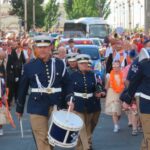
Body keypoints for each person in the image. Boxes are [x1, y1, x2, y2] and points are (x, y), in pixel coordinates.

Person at [16, 36, 71, 150]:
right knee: (42, 137)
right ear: (35, 48)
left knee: (52, 138)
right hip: (37, 105)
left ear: (50, 47)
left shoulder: (59, 64)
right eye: (39, 47)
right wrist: (19, 108)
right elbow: (22, 88)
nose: (42, 50)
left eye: (45, 47)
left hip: (56, 104)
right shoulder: (29, 66)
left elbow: (67, 84)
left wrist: (69, 99)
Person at [69, 54, 102, 150]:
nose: (84, 65)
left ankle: (80, 147)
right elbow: (68, 90)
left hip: (91, 103)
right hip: (77, 104)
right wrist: (69, 102)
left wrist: (98, 92)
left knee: (89, 126)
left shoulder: (93, 75)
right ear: (77, 64)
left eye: (85, 63)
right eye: (81, 63)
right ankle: (86, 147)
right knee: (81, 126)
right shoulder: (72, 75)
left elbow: (98, 86)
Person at [120, 45, 150, 150]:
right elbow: (134, 83)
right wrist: (127, 100)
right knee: (149, 133)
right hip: (146, 102)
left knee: (147, 135)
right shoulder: (144, 64)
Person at [105, 60, 124, 133]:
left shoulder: (123, 74)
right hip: (112, 93)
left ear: (120, 67)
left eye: (117, 66)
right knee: (114, 110)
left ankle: (117, 122)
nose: (115, 68)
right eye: (114, 66)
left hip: (120, 94)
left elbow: (124, 85)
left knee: (119, 112)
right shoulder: (109, 75)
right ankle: (115, 125)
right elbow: (106, 86)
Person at [6, 42, 26, 107]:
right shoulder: (10, 52)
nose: (15, 46)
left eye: (16, 45)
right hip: (10, 73)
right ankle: (9, 101)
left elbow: (22, 61)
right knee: (10, 88)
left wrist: (20, 72)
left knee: (16, 87)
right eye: (13, 45)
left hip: (17, 72)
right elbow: (10, 63)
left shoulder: (20, 52)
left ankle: (15, 99)